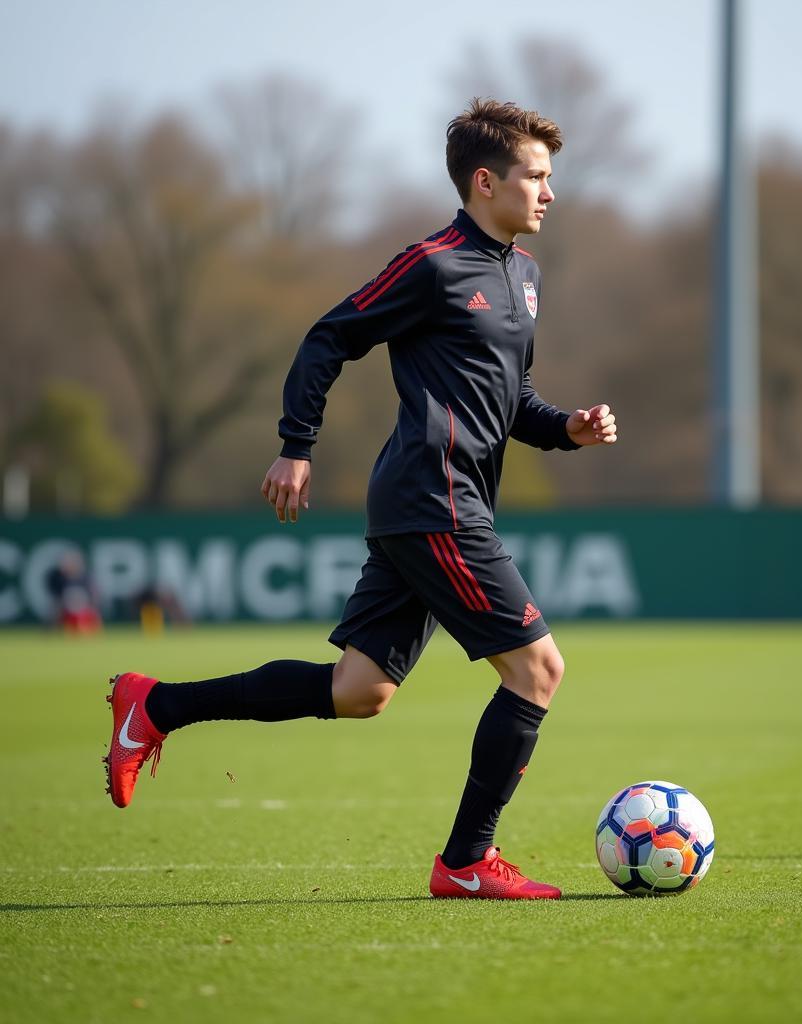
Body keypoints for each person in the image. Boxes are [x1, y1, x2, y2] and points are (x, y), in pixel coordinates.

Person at [103, 98, 618, 900]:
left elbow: (510, 400)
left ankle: (154, 706)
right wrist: (295, 445)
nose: (550, 192)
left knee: (359, 692)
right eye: (537, 177)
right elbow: (330, 335)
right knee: (538, 669)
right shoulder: (434, 264)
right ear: (486, 183)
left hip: (443, 502)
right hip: (433, 496)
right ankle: (466, 863)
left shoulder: (524, 275)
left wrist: (567, 429)